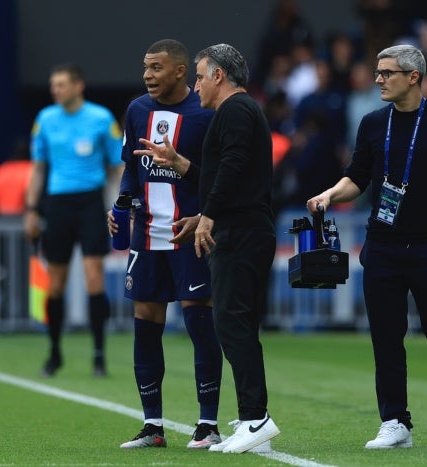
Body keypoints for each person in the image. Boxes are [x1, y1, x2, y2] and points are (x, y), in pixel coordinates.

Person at [306, 44, 427, 449]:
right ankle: (394, 421)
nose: (378, 79)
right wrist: (330, 195)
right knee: (386, 338)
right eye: (377, 72)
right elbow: (357, 177)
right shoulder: (373, 123)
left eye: (387, 73)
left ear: (413, 77)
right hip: (384, 245)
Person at [106, 39, 224, 451]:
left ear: (179, 71)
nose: (147, 76)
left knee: (198, 320)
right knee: (145, 319)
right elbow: (130, 167)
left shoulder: (206, 115)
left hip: (189, 232)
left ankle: (208, 424)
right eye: (145, 68)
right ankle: (152, 426)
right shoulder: (138, 110)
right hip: (146, 232)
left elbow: (216, 177)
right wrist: (121, 206)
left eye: (156, 68)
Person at [192, 43, 281, 453]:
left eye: (198, 76)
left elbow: (232, 165)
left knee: (231, 322)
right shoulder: (242, 112)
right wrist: (185, 169)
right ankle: (252, 417)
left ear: (218, 76)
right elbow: (227, 172)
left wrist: (208, 214)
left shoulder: (235, 111)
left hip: (240, 231)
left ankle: (255, 418)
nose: (195, 86)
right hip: (244, 227)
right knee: (238, 323)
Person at [24, 63, 123, 378]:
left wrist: (122, 204)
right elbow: (39, 168)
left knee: (94, 277)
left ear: (79, 85)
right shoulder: (45, 120)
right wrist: (31, 209)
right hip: (58, 205)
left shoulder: (101, 118)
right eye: (53, 85)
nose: (56, 90)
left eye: (62, 84)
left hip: (90, 202)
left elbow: (118, 165)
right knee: (56, 283)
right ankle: (54, 353)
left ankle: (98, 355)